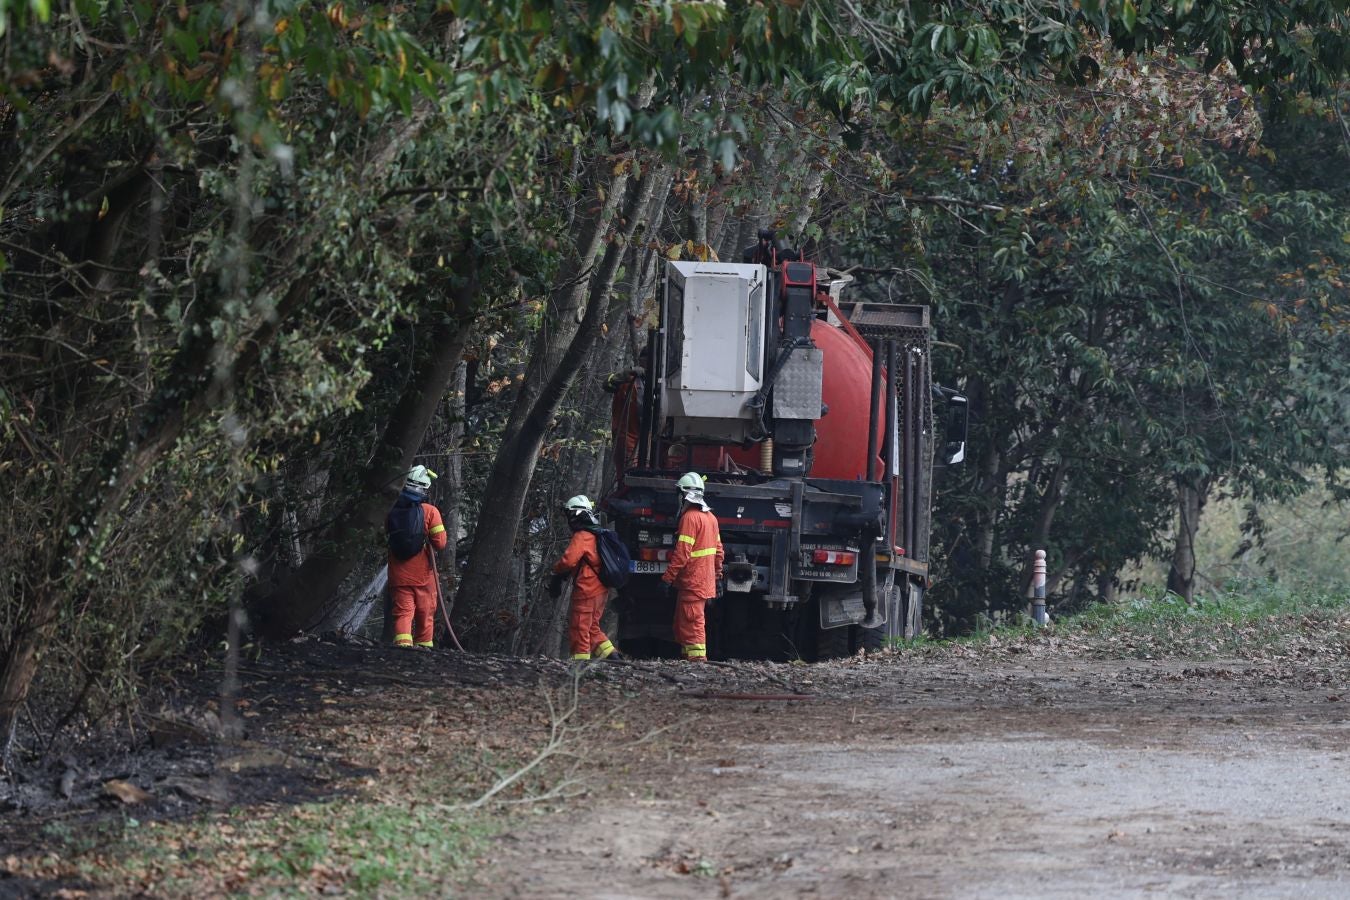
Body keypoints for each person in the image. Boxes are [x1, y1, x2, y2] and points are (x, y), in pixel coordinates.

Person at [660, 472, 724, 661]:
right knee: (683, 623)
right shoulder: (711, 518)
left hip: (693, 581)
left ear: (683, 495)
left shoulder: (689, 518)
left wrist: (667, 579)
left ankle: (697, 661)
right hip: (702, 580)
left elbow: (682, 554)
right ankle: (688, 658)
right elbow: (719, 551)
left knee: (692, 621)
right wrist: (718, 577)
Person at [549, 495, 620, 661]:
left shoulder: (583, 535)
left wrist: (556, 573)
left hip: (587, 589)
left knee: (580, 626)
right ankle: (613, 657)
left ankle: (580, 664)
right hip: (601, 589)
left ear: (575, 515)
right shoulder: (597, 534)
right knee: (592, 627)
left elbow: (568, 561)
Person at [387, 465, 448, 648]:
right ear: (424, 488)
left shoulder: (391, 509)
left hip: (398, 574)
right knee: (425, 613)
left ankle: (403, 648)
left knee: (403, 613)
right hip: (423, 576)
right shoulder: (430, 511)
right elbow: (440, 543)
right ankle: (423, 648)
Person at [604, 345, 649, 480]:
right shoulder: (628, 379)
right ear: (642, 360)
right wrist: (628, 372)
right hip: (626, 436)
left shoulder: (657, 383)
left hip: (647, 438)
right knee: (627, 474)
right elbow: (607, 384)